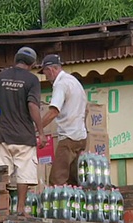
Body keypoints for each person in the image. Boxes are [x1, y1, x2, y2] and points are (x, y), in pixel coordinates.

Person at [0, 46, 46, 216]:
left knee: (2, 175)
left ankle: (2, 209)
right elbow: (32, 105)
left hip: (5, 136)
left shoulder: (2, 76)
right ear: (32, 63)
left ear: (16, 59)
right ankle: (20, 209)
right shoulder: (32, 80)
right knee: (24, 175)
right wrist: (41, 131)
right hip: (24, 137)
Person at [39, 54, 87, 186]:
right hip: (81, 137)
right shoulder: (74, 82)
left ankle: (60, 206)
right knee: (74, 182)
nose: (46, 77)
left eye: (45, 73)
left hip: (68, 138)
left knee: (57, 181)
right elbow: (85, 109)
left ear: (51, 70)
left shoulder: (60, 84)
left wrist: (38, 128)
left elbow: (54, 111)